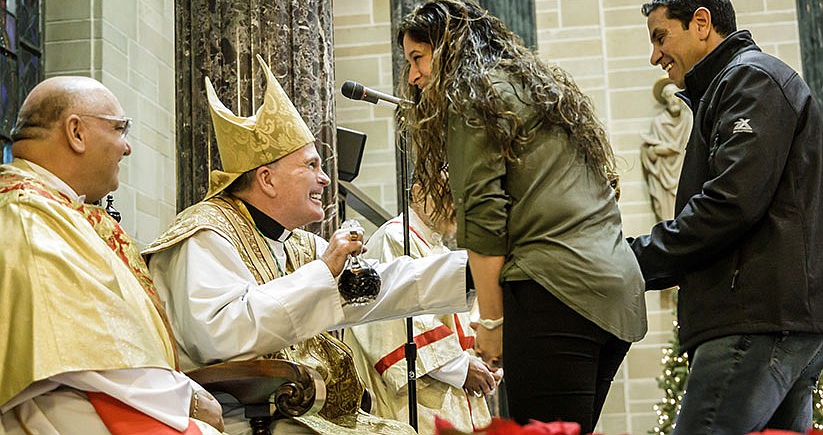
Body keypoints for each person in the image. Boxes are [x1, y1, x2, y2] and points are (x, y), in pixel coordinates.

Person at [143, 57, 472, 435]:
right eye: (312, 166)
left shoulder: (298, 244)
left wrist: (471, 270)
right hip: (241, 413)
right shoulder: (206, 233)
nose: (326, 179)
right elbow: (220, 335)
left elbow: (381, 287)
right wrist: (324, 272)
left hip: (294, 406)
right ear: (266, 178)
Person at [397, 0, 647, 432]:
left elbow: (483, 217)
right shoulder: (539, 87)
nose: (414, 76)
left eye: (418, 58)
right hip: (616, 291)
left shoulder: (472, 96)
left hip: (555, 290)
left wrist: (490, 322)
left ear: (449, 46)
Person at [631, 0, 823, 434]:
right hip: (776, 316)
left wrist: (633, 259)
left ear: (701, 23)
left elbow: (730, 204)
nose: (655, 55)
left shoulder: (750, 79)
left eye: (661, 37)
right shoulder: (733, 86)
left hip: (754, 317)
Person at [0, 77, 224, 434]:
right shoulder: (27, 216)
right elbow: (80, 347)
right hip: (55, 406)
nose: (127, 148)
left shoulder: (53, 210)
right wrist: (187, 399)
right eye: (120, 129)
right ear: (76, 132)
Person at [344, 182, 499, 435]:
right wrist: (462, 369)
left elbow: (455, 329)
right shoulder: (395, 237)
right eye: (448, 193)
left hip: (452, 397)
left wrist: (481, 365)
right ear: (417, 191)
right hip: (413, 400)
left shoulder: (438, 247)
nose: (456, 205)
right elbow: (394, 324)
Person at [640, 77, 692, 221]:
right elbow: (649, 154)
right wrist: (658, 150)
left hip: (686, 173)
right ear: (664, 99)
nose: (673, 100)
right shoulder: (658, 123)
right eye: (669, 96)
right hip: (664, 178)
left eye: (675, 95)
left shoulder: (690, 119)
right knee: (667, 215)